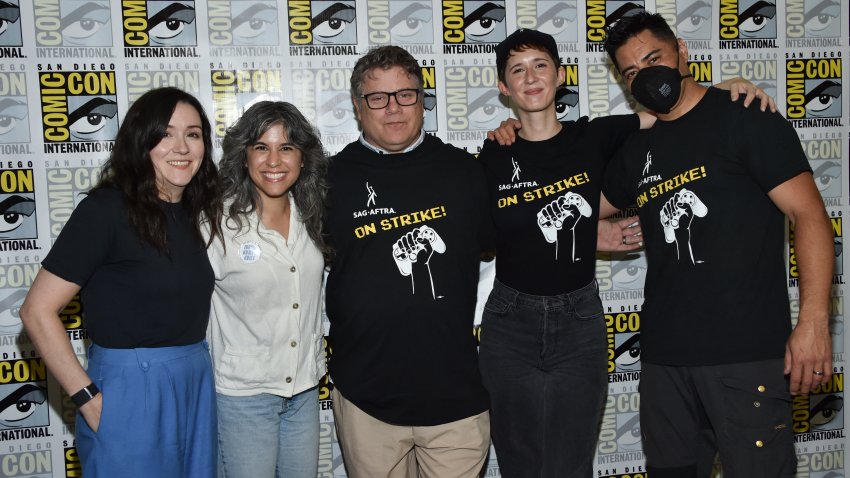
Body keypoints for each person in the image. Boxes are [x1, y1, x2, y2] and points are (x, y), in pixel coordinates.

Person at [479, 28, 778, 478]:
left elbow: (679, 109)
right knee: (518, 460)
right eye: (517, 70)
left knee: (572, 461)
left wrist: (727, 86)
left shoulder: (598, 135)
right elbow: (495, 236)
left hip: (578, 317)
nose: (531, 77)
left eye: (541, 65)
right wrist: (594, 234)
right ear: (504, 88)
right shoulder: (492, 151)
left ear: (561, 76)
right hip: (510, 321)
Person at [600, 12, 833, 477]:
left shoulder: (744, 115)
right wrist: (597, 234)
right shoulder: (637, 149)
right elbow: (583, 209)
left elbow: (810, 216)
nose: (646, 76)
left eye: (653, 59)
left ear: (682, 52)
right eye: (631, 72)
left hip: (745, 357)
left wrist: (813, 322)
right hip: (666, 362)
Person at [19, 87, 223, 477]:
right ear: (140, 141)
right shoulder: (105, 210)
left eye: (193, 134)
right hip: (129, 388)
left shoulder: (194, 212)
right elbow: (36, 310)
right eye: (165, 134)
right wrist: (88, 399)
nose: (180, 146)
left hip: (194, 380)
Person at [323, 45, 492, 478]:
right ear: (359, 107)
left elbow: (518, 238)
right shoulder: (326, 180)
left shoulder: (466, 172)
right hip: (367, 398)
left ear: (422, 99)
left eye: (406, 94)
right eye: (378, 98)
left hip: (455, 394)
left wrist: (593, 230)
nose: (393, 109)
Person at [207, 101, 330, 478]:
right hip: (244, 395)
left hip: (304, 388)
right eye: (261, 147)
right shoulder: (214, 222)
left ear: (303, 158)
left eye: (287, 148)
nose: (273, 161)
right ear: (244, 156)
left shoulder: (316, 215)